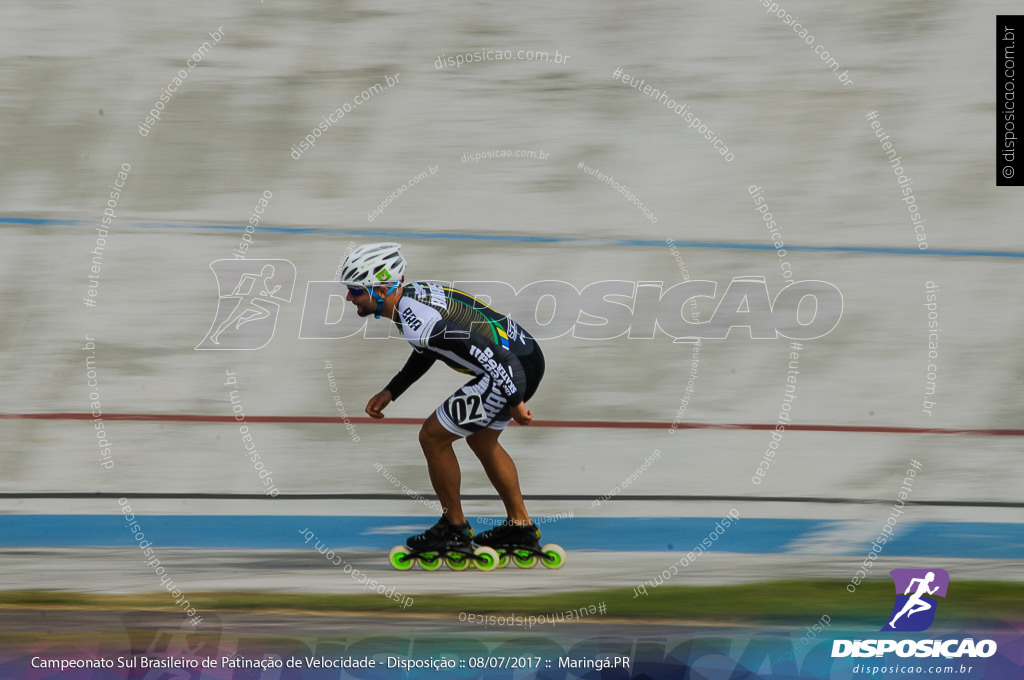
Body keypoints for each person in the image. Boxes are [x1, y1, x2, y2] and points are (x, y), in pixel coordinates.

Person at [339, 242, 545, 558]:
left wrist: (515, 401)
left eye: (355, 290)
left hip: (507, 366)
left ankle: (454, 528)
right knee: (481, 441)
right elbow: (430, 348)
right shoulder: (410, 297)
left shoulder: (416, 318)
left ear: (380, 289)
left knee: (433, 438)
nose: (349, 297)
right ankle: (520, 526)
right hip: (525, 356)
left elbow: (482, 350)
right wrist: (392, 391)